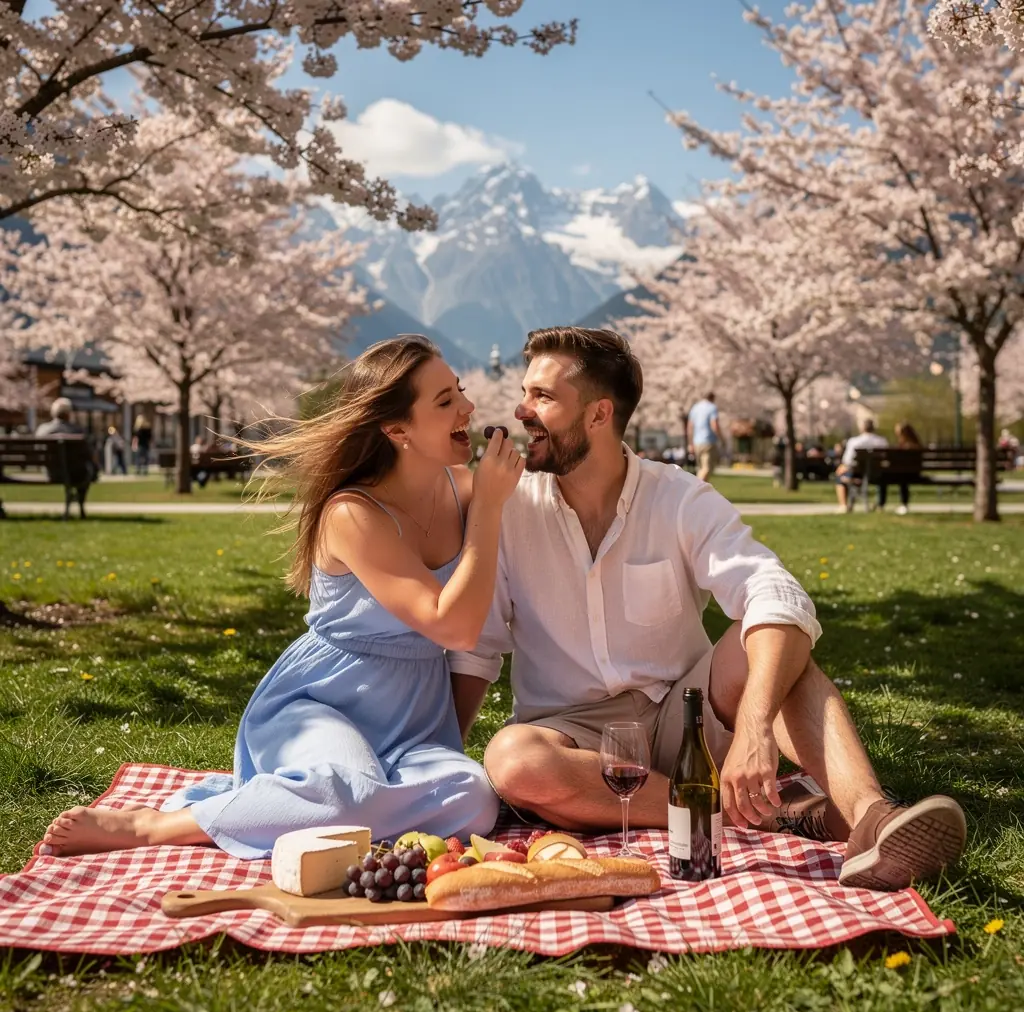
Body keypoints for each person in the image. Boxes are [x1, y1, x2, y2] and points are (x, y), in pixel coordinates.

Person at [449, 326, 966, 892]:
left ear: (599, 415)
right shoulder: (509, 508)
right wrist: (442, 768)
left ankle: (872, 819)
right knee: (514, 760)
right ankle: (739, 809)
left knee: (771, 638)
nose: (521, 410)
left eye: (542, 397)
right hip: (573, 743)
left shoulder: (679, 499)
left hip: (687, 718)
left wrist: (753, 726)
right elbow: (479, 649)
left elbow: (777, 593)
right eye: (526, 392)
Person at [40, 336, 524, 859]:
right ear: (396, 429)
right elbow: (453, 627)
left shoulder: (464, 488)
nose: (468, 409)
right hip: (323, 704)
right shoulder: (352, 514)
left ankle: (315, 806)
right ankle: (154, 827)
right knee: (348, 797)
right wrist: (489, 512)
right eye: (445, 401)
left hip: (415, 721)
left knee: (475, 801)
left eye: (461, 391)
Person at [834, 418, 889, 511]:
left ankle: (843, 505)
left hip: (857, 473)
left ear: (862, 428)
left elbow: (847, 461)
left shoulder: (854, 442)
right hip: (878, 475)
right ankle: (880, 505)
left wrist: (841, 468)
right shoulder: (882, 441)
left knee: (840, 476)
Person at [877, 422, 922, 516]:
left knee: (884, 477)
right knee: (901, 476)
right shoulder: (916, 444)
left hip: (907, 475)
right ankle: (902, 504)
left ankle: (881, 504)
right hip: (915, 473)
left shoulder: (906, 446)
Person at [687, 391, 721, 482]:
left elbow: (690, 426)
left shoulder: (695, 408)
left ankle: (698, 488)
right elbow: (714, 425)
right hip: (708, 441)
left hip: (697, 442)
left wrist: (690, 443)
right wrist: (721, 438)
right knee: (706, 468)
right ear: (712, 398)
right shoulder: (712, 407)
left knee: (701, 468)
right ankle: (696, 488)